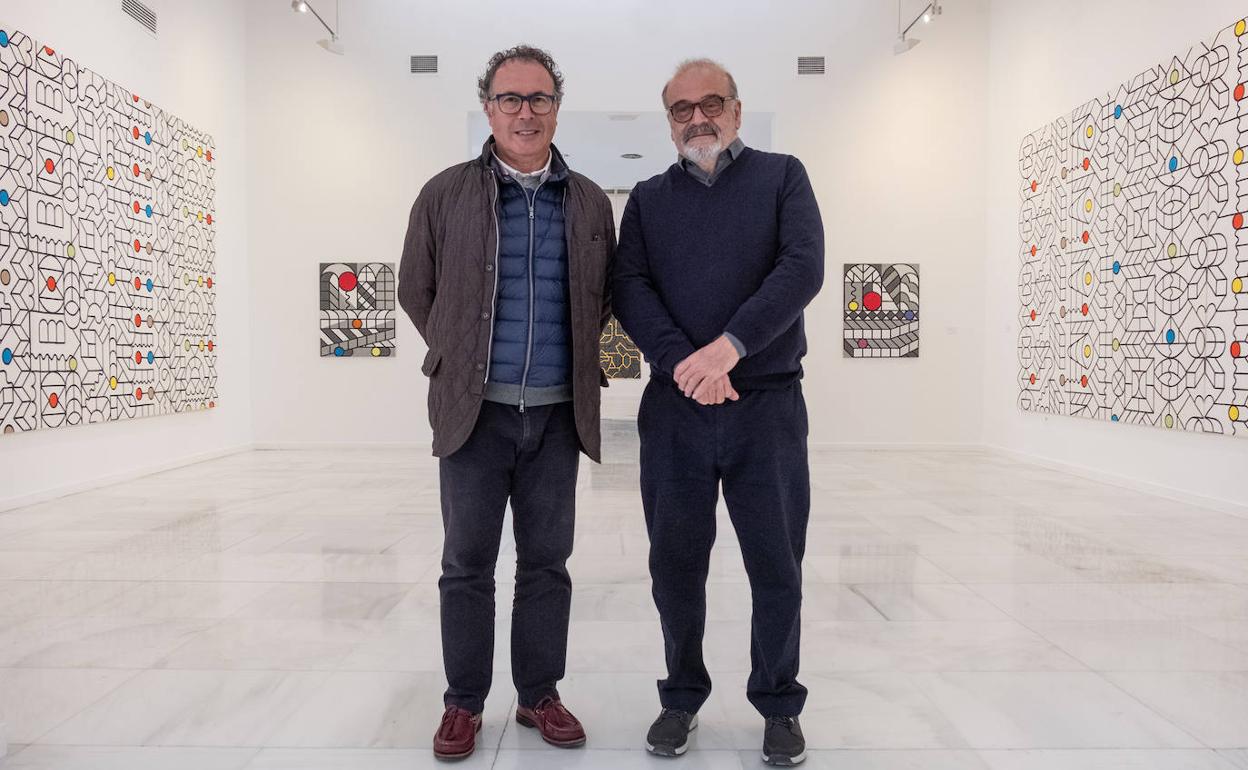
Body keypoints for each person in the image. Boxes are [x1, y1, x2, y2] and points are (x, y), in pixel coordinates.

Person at [397, 44, 615, 762]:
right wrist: (459, 356)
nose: (526, 112)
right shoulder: (444, 193)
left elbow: (606, 296)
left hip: (557, 415)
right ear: (488, 107)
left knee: (547, 563)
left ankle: (538, 695)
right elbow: (415, 289)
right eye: (511, 99)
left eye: (540, 99)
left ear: (557, 106)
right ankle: (463, 704)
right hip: (474, 416)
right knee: (466, 563)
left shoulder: (587, 201)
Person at [612, 57, 824, 767]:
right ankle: (681, 698)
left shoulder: (783, 177)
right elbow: (631, 289)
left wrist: (728, 350)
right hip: (675, 411)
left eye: (711, 104)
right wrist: (686, 364)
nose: (696, 118)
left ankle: (778, 703)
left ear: (736, 110)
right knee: (674, 565)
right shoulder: (646, 199)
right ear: (668, 121)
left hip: (766, 407)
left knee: (776, 565)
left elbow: (802, 268)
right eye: (681, 109)